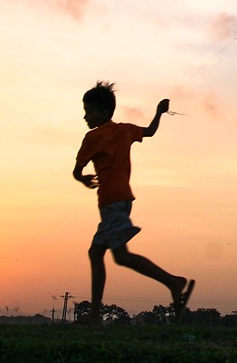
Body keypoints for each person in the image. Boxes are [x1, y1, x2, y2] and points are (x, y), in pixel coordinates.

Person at [73, 81, 194, 321]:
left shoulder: (93, 138)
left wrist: (83, 179)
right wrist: (159, 113)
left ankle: (173, 282)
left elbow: (77, 170)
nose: (85, 116)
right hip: (122, 201)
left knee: (121, 256)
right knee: (97, 253)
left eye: (89, 110)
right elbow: (149, 131)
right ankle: (96, 314)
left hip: (111, 203)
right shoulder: (125, 130)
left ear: (104, 113)